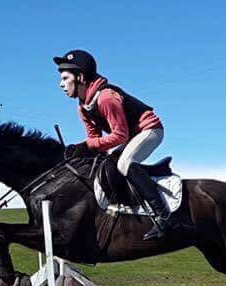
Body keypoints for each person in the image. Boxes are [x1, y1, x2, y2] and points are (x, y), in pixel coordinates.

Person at [54, 49, 188, 240]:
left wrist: (87, 145)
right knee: (106, 165)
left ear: (80, 77)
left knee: (124, 163)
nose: (61, 84)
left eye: (65, 78)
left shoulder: (106, 97)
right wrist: (81, 152)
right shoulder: (83, 108)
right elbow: (94, 139)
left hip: (149, 130)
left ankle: (165, 218)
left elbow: (118, 135)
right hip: (130, 136)